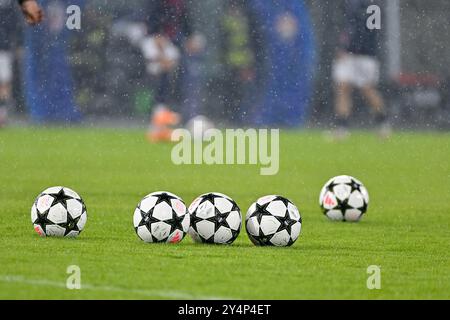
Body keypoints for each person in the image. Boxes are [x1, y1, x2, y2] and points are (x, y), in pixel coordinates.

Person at [332, 0, 390, 140]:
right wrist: (344, 47)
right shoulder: (354, 4)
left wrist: (350, 47)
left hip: (365, 55)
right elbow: (348, 27)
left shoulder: (371, 5)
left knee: (367, 90)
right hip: (351, 54)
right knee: (343, 87)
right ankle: (342, 128)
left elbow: (368, 32)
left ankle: (383, 123)